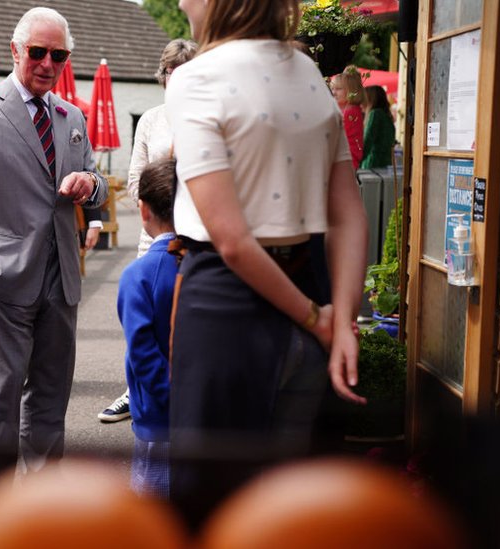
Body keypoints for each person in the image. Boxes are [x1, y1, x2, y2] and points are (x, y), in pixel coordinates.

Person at [167, 0, 368, 530]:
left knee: (212, 508)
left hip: (226, 307)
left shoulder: (194, 78)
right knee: (300, 508)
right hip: (314, 287)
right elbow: (348, 216)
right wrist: (340, 319)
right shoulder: (306, 70)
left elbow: (232, 241)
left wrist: (314, 318)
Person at [0, 6, 108, 488]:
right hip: (4, 278)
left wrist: (89, 186)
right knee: (2, 393)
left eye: (59, 55)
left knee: (52, 395)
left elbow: (98, 182)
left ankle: (42, 501)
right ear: (15, 51)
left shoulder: (71, 115)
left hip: (62, 276)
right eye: (38, 52)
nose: (48, 63)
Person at [98, 38, 197, 424]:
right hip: (155, 228)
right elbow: (137, 176)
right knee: (142, 316)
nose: (181, 79)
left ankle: (185, 390)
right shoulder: (153, 119)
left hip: (195, 230)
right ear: (164, 75)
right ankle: (135, 389)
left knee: (187, 314)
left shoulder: (207, 114)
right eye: (175, 72)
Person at [116, 156, 178, 498]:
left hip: (157, 415)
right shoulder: (210, 267)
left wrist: (171, 395)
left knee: (154, 505)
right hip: (207, 411)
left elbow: (142, 351)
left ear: (143, 210)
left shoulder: (138, 275)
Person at [330, 66, 365, 169]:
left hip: (346, 163)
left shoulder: (349, 111)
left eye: (338, 89)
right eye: (332, 88)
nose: (333, 92)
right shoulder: (345, 109)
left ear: (350, 90)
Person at [360, 85, 396, 170]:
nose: (360, 102)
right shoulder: (387, 117)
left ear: (370, 99)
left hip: (372, 166)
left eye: (363, 98)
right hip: (386, 165)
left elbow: (366, 143)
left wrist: (355, 163)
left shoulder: (375, 114)